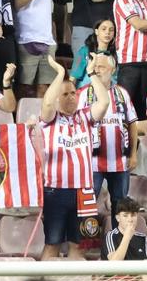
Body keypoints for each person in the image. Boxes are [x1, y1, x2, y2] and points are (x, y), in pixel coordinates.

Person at [40, 54, 109, 260]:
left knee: (81, 247)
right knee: (52, 245)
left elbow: (104, 101)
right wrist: (60, 74)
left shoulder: (85, 116)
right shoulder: (49, 119)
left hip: (84, 191)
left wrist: (91, 74)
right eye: (65, 94)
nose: (70, 97)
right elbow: (47, 104)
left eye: (73, 93)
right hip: (55, 190)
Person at [81, 53, 139, 215]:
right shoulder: (84, 94)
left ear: (112, 70)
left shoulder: (122, 93)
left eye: (102, 67)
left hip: (120, 161)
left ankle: (118, 238)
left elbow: (132, 123)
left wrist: (133, 153)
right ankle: (84, 240)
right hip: (92, 162)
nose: (97, 70)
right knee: (88, 205)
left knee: (120, 206)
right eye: (95, 67)